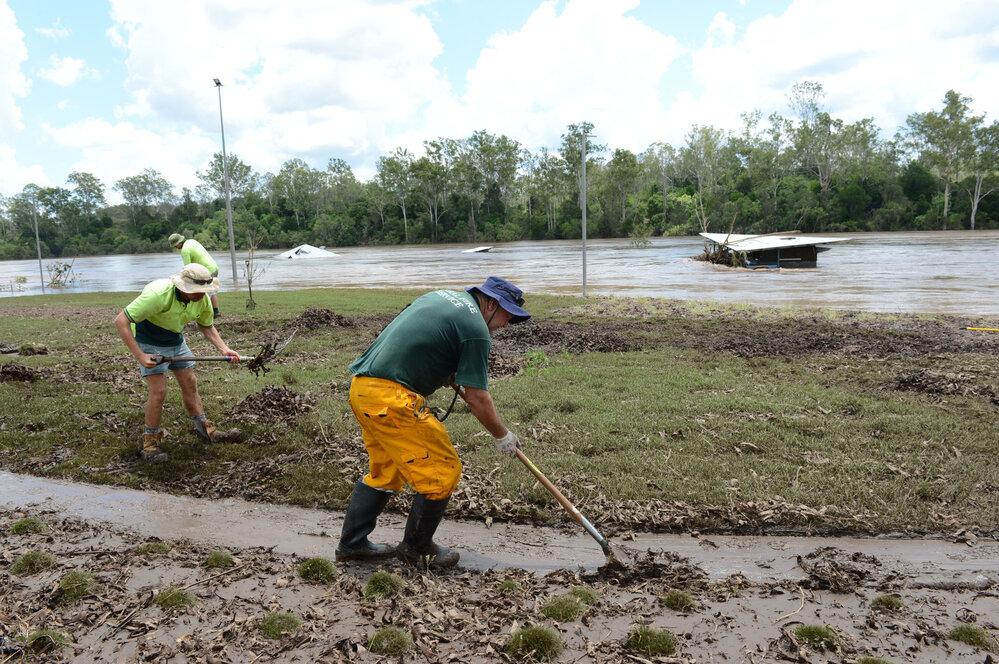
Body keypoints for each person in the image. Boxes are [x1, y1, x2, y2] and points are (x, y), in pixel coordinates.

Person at [336, 277, 531, 569]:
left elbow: (420, 340)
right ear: (491, 303)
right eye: (507, 316)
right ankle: (417, 549)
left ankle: (352, 546)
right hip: (392, 400)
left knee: (387, 471)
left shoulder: (441, 297)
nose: (506, 324)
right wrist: (502, 435)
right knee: (443, 470)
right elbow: (478, 398)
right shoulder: (476, 329)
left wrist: (442, 369)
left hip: (364, 389)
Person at [113, 263, 240, 463]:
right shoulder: (158, 294)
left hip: (175, 340)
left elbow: (206, 326)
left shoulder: (202, 299)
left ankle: (206, 430)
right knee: (159, 391)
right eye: (196, 291)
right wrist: (140, 355)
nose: (201, 295)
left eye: (204, 291)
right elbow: (121, 321)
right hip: (149, 340)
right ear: (182, 287)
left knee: (190, 383)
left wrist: (224, 349)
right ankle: (150, 443)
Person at [168, 233, 220, 316]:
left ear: (180, 242)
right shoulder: (192, 241)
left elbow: (188, 269)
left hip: (206, 271)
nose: (175, 247)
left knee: (201, 292)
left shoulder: (185, 250)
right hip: (214, 267)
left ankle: (206, 313)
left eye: (175, 245)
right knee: (211, 290)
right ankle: (216, 311)